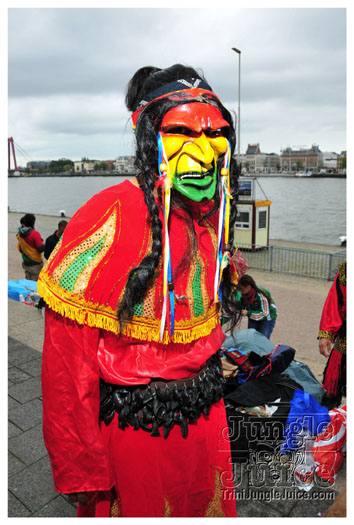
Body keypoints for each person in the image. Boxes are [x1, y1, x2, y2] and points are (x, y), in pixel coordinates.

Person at [38, 64, 243, 517]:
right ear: (150, 135)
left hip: (208, 422)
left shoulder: (213, 217)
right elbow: (66, 370)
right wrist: (82, 467)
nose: (204, 152)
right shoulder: (104, 216)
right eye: (182, 132)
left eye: (216, 134)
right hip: (139, 435)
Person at [317, 261, 346, 409]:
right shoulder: (346, 269)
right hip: (345, 343)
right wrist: (326, 334)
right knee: (332, 392)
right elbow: (334, 303)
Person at [235, 274, 277, 339]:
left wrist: (248, 313)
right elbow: (242, 304)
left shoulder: (261, 294)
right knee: (251, 337)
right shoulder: (244, 294)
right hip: (254, 315)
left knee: (263, 339)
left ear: (248, 287)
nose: (240, 290)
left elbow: (265, 313)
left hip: (267, 318)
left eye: (241, 288)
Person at [16, 213, 45, 281]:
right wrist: (44, 244)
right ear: (33, 222)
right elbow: (40, 249)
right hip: (35, 263)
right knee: (35, 285)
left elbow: (20, 248)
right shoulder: (35, 234)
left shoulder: (20, 233)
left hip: (26, 262)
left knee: (28, 282)